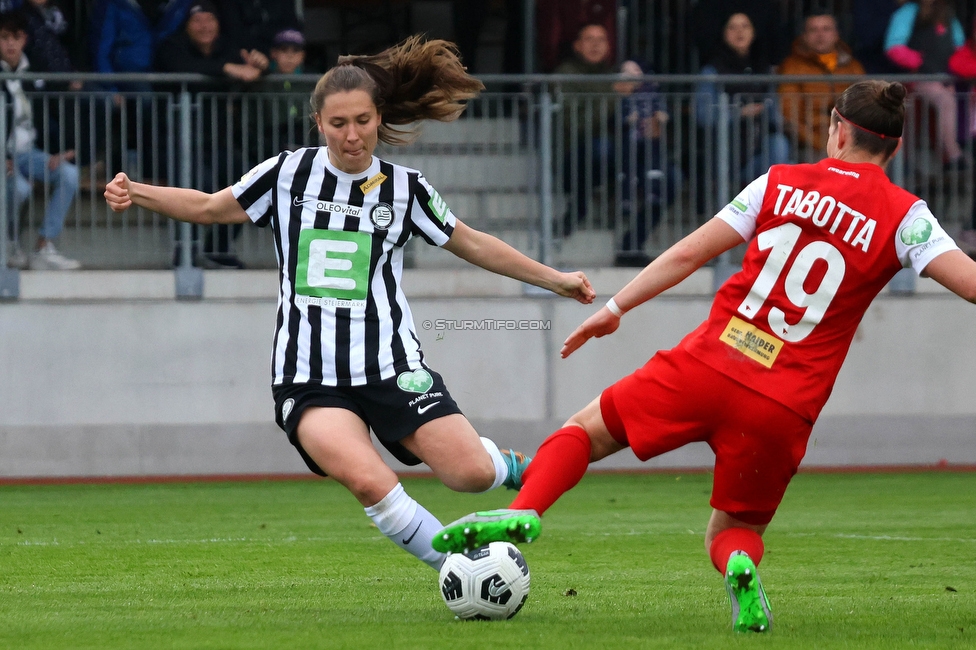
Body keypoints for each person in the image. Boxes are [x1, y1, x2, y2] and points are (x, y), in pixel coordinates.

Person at [433, 80, 976, 633]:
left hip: (708, 365)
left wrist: (616, 306)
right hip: (784, 402)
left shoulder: (780, 182)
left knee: (584, 431)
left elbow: (692, 251)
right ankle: (739, 567)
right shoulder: (908, 217)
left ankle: (524, 512)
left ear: (837, 127)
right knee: (731, 531)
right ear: (896, 147)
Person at [104, 36, 596, 572]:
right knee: (370, 481)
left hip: (392, 367)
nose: (352, 135)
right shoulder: (287, 174)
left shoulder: (406, 189)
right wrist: (137, 191)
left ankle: (502, 462)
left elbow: (471, 241)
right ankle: (462, 570)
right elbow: (208, 206)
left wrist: (556, 280)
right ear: (318, 122)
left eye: (362, 120)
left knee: (469, 475)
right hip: (309, 378)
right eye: (338, 123)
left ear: (378, 117)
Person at [155, 0, 269, 268]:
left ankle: (217, 248)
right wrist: (227, 69)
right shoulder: (172, 45)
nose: (204, 26)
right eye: (197, 20)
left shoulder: (228, 47)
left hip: (221, 140)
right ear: (187, 25)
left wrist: (262, 65)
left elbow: (251, 72)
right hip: (181, 141)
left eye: (210, 19)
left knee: (248, 186)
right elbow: (178, 66)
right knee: (198, 187)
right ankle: (186, 251)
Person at [0, 9, 79, 270]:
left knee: (68, 174)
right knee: (20, 189)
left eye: (16, 37)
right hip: (4, 155)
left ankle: (43, 247)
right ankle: (7, 244)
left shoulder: (35, 72)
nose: (10, 43)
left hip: (28, 152)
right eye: (3, 37)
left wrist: (60, 151)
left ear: (24, 40)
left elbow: (49, 116)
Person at [696, 12, 791, 192]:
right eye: (732, 27)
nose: (739, 32)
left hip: (759, 146)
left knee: (779, 146)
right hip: (728, 155)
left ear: (754, 32)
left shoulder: (764, 68)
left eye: (745, 26)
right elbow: (704, 115)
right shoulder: (712, 71)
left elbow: (774, 112)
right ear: (723, 33)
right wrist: (739, 113)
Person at [884, 0, 966, 170]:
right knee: (945, 101)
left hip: (946, 79)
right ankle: (953, 154)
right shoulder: (908, 12)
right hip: (917, 78)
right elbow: (894, 46)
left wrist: (954, 71)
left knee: (947, 102)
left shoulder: (948, 14)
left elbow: (959, 47)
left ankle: (949, 157)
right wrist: (920, 63)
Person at [612, 59, 678, 267]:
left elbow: (667, 118)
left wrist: (658, 124)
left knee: (667, 184)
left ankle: (631, 244)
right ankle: (629, 244)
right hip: (621, 153)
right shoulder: (613, 94)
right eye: (627, 73)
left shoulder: (651, 94)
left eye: (636, 71)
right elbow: (602, 120)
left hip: (652, 152)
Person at [778, 8, 866, 161]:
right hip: (811, 144)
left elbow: (867, 108)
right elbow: (790, 114)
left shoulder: (853, 66)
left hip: (850, 142)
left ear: (836, 34)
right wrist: (822, 143)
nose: (820, 35)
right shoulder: (791, 67)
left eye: (826, 29)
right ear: (804, 36)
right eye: (813, 30)